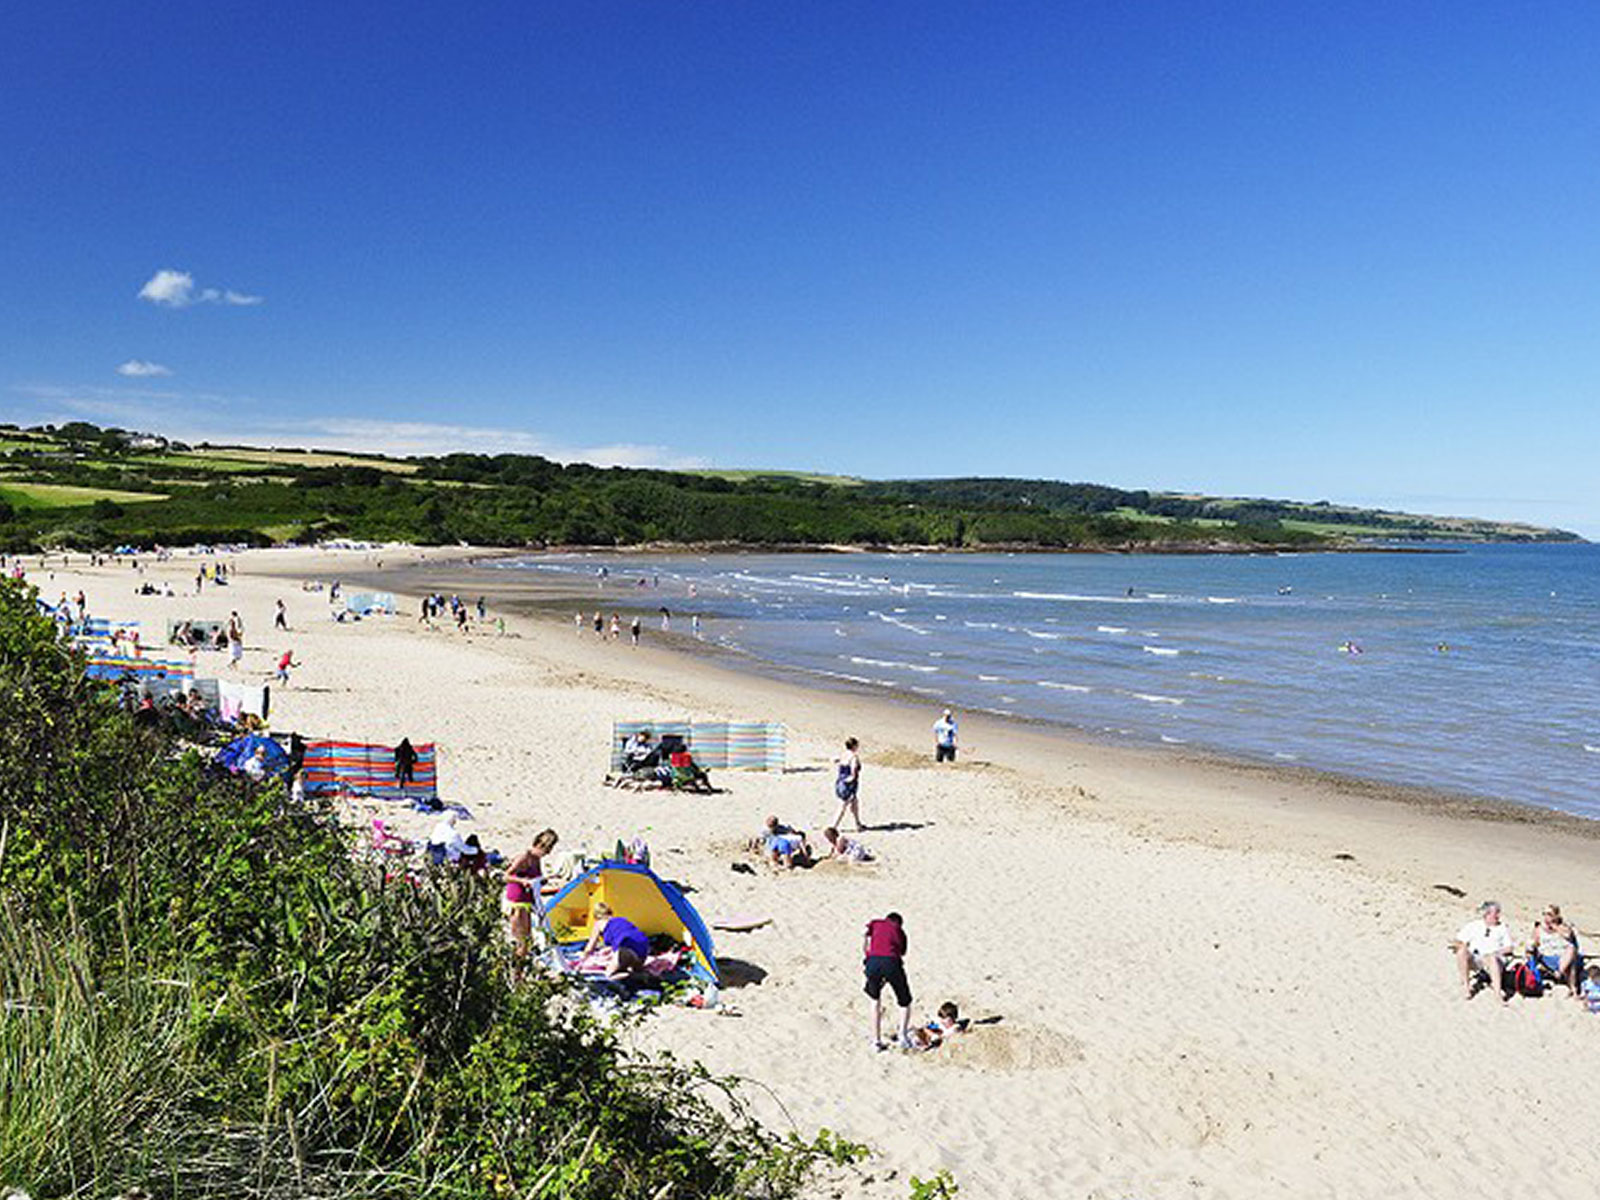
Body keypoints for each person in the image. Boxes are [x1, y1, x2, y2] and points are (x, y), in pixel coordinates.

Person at [504, 829, 560, 960]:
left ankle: (519, 972)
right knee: (520, 940)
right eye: (548, 849)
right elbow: (506, 876)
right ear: (540, 845)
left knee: (527, 940)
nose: (548, 853)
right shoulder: (524, 857)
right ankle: (515, 973)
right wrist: (522, 881)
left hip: (527, 901)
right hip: (516, 902)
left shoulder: (536, 859)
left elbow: (537, 878)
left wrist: (544, 880)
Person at [863, 912, 913, 1051]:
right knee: (905, 1001)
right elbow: (902, 952)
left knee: (874, 1000)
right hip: (891, 962)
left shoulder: (876, 923)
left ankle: (876, 1041)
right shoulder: (900, 931)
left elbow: (865, 936)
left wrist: (867, 957)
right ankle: (902, 1036)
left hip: (872, 963)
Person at [1454, 900, 1514, 1003]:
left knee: (1492, 958)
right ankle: (1466, 987)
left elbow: (1509, 948)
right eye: (1496, 912)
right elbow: (1458, 941)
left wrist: (1496, 953)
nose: (1498, 915)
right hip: (1476, 957)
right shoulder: (1474, 925)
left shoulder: (1502, 928)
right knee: (1461, 952)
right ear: (1487, 913)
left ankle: (1497, 994)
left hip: (1493, 959)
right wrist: (1463, 946)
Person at [583, 901, 650, 979]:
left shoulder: (599, 923)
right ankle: (640, 974)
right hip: (644, 947)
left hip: (627, 948)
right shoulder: (621, 920)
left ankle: (632, 976)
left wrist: (583, 958)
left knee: (609, 976)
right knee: (631, 967)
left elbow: (590, 947)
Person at [1530, 904, 1581, 999]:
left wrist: (1555, 927)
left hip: (1564, 956)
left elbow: (1568, 935)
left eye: (1549, 914)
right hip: (1548, 958)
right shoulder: (1539, 929)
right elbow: (1534, 943)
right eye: (1544, 914)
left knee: (1571, 951)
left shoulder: (1564, 926)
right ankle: (1573, 989)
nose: (1546, 917)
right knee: (1570, 961)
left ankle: (1561, 973)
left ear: (1556, 916)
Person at [832, 737, 863, 832]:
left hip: (840, 781)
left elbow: (835, 760)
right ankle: (833, 826)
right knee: (843, 805)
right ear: (854, 746)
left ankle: (858, 824)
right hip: (848, 784)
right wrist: (853, 777)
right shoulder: (853, 757)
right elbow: (854, 769)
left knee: (854, 802)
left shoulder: (843, 754)